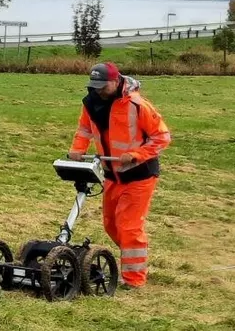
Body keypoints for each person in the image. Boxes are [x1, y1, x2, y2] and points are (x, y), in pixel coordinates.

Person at [67, 62, 171, 289]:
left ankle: (133, 280)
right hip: (112, 175)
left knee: (129, 227)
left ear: (116, 82)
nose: (98, 90)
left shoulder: (137, 105)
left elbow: (162, 137)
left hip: (139, 175)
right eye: (94, 86)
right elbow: (85, 129)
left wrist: (136, 154)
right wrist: (78, 150)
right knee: (111, 225)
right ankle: (134, 261)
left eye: (103, 86)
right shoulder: (91, 103)